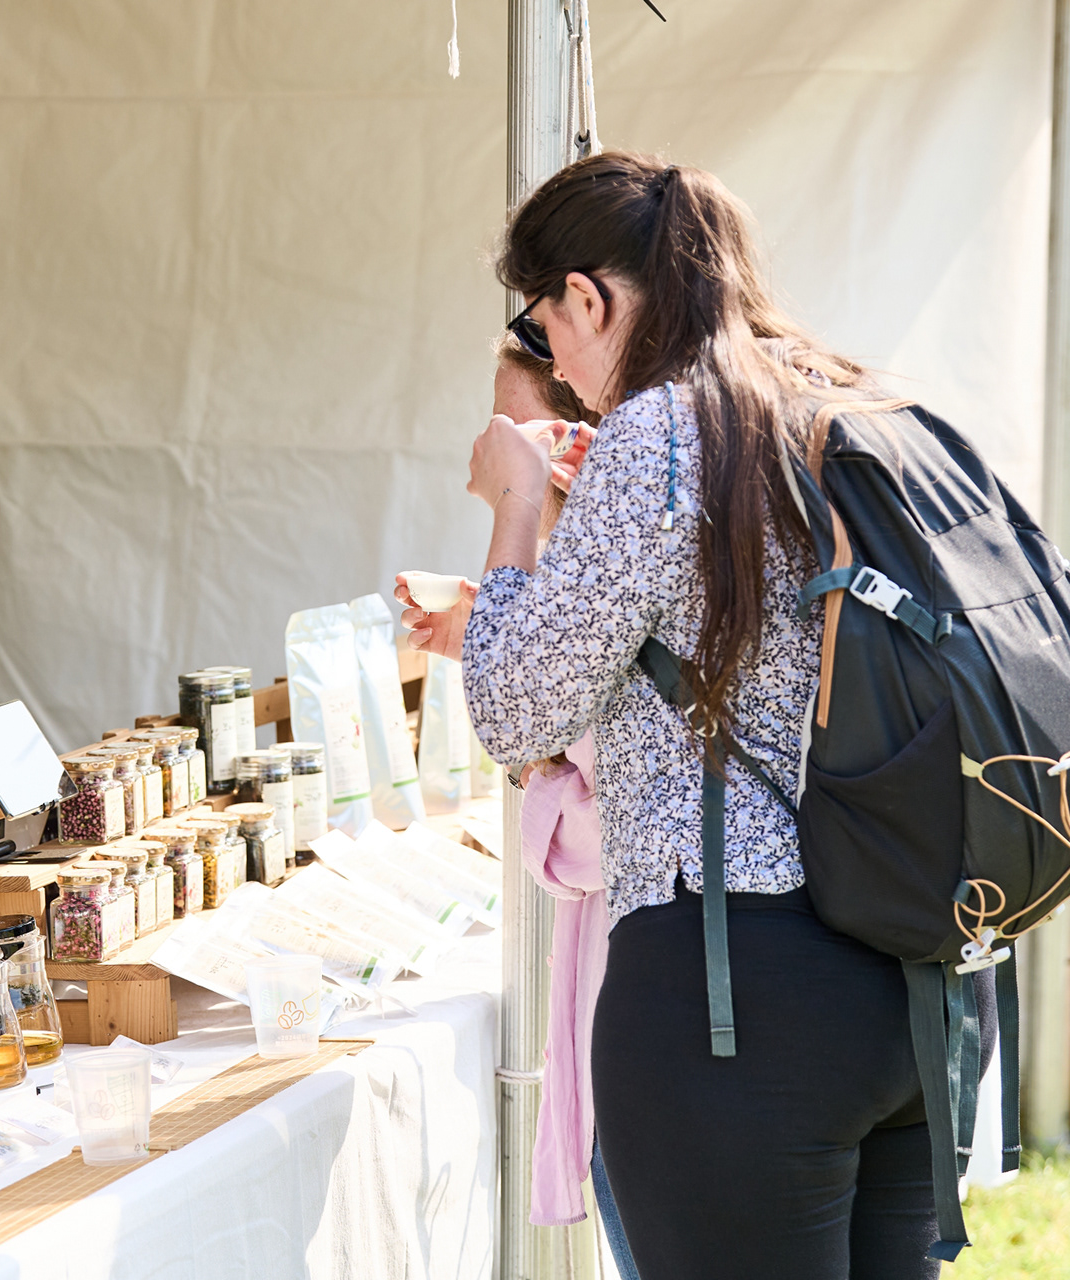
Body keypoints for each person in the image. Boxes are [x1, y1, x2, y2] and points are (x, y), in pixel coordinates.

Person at [405, 152, 944, 1277]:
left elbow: (515, 712)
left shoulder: (657, 436)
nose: (552, 358)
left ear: (586, 297)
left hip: (734, 988)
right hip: (906, 969)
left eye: (541, 323)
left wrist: (516, 504)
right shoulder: (837, 398)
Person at [403, 339, 639, 1280]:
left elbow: (601, 830)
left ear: (576, 437)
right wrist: (490, 633)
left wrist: (514, 513)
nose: (490, 438)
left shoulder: (620, 573)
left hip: (664, 1007)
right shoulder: (612, 567)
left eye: (513, 420)